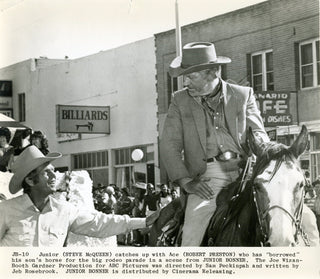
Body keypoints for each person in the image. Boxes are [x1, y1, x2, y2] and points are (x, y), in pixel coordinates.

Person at [160, 42, 271, 246]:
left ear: (212, 73)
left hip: (247, 172)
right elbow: (169, 144)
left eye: (191, 76)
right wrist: (186, 182)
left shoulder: (243, 95)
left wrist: (266, 151)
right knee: (191, 238)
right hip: (208, 178)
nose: (186, 82)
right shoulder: (179, 100)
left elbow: (258, 133)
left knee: (301, 222)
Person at [0, 146, 159, 246]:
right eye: (46, 173)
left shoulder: (64, 211)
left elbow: (98, 223)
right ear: (30, 180)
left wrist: (144, 221)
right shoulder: (6, 210)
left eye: (53, 170)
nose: (54, 175)